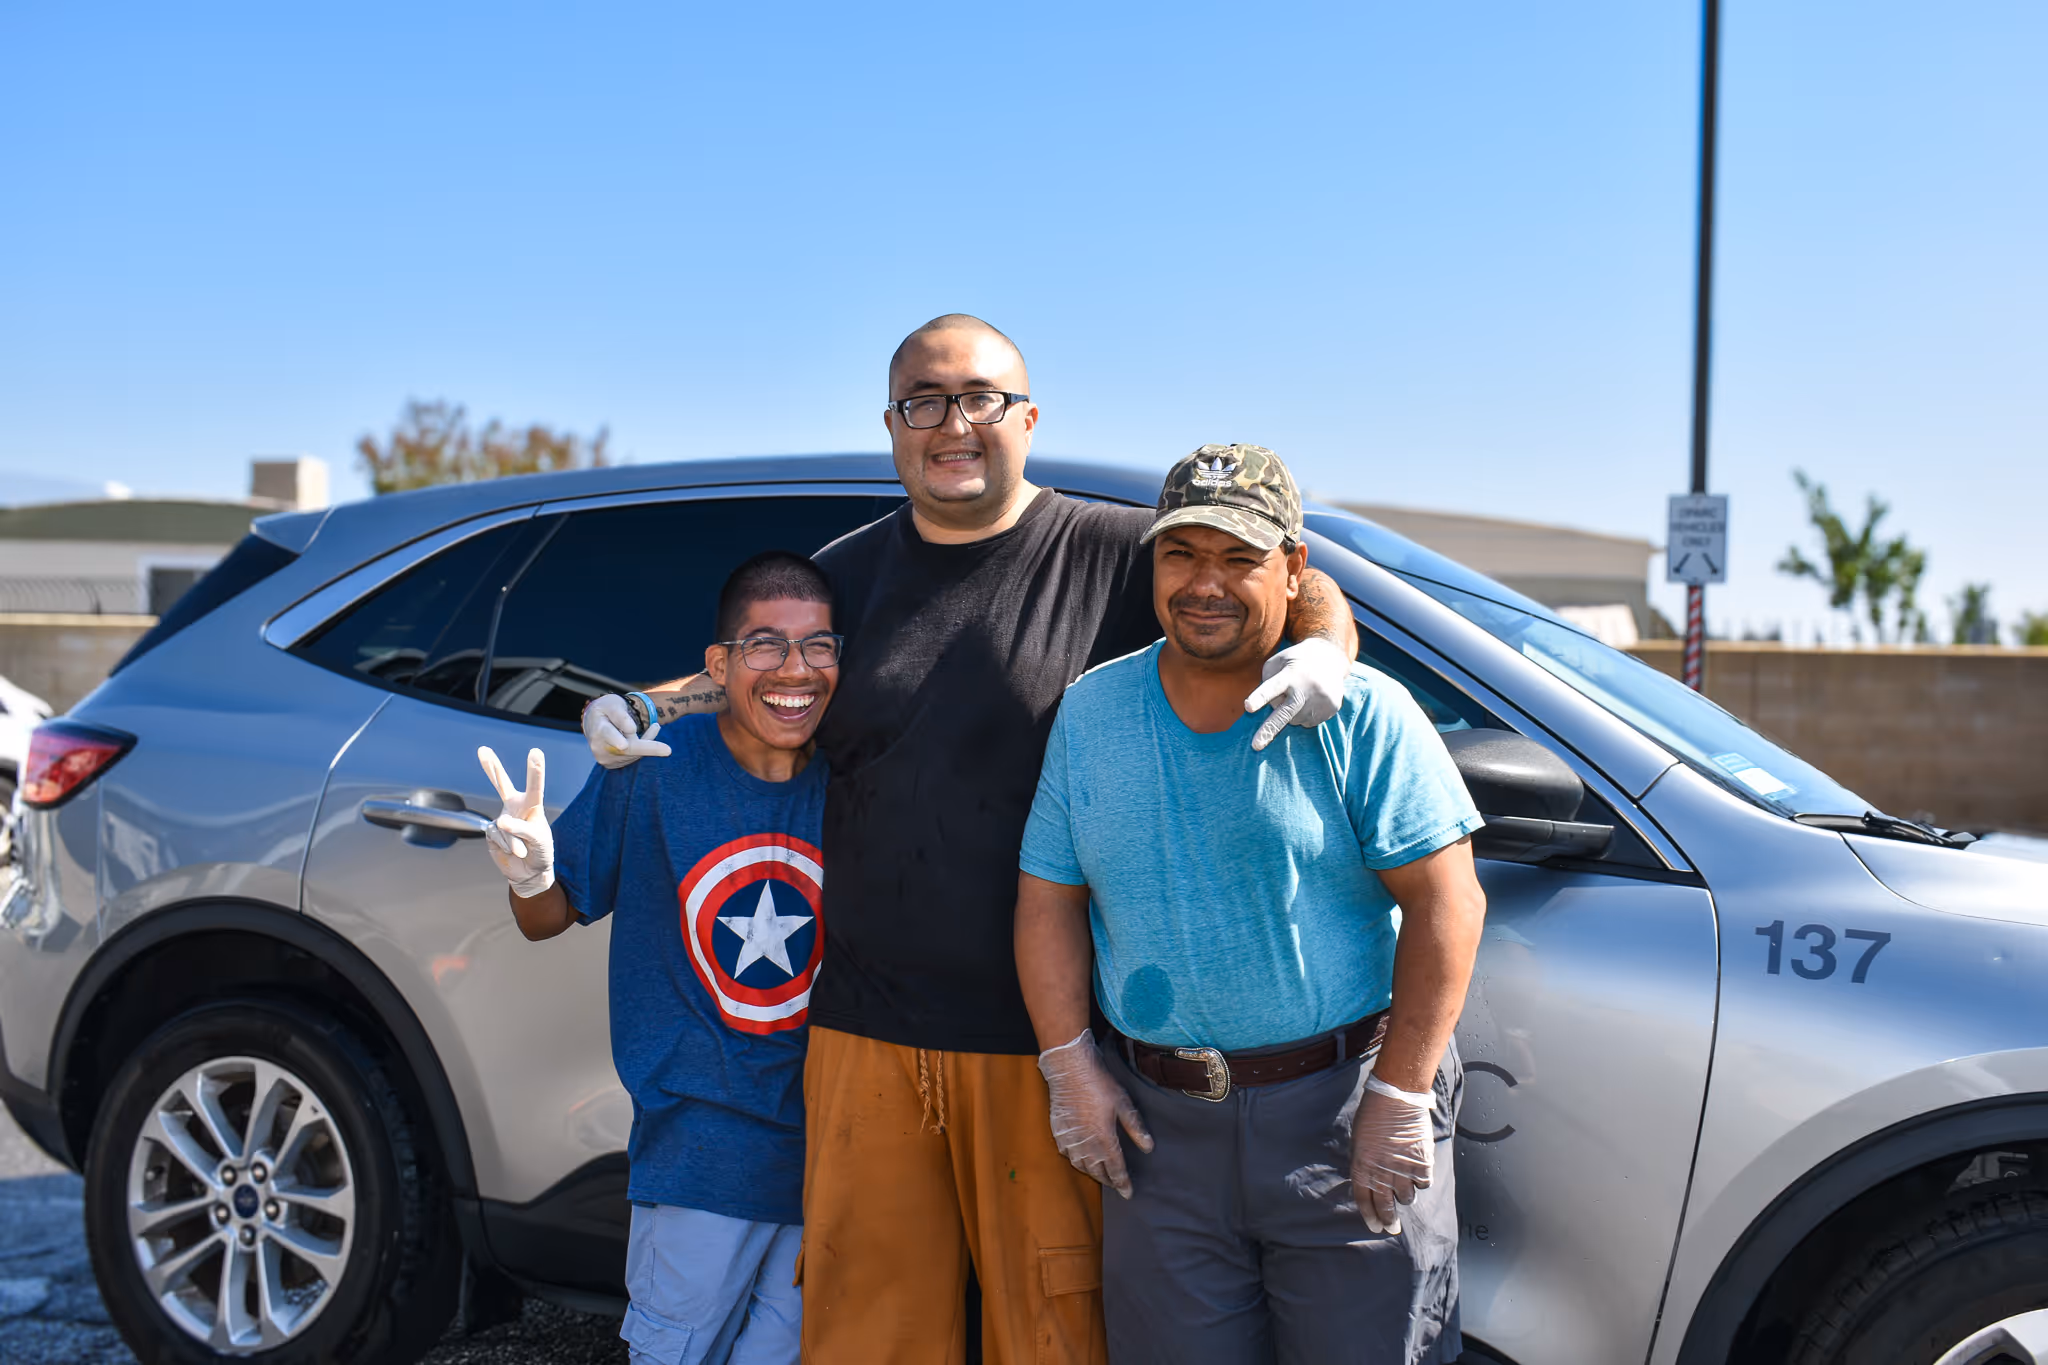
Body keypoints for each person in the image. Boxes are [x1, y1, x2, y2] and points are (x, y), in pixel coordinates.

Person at [579, 316, 1360, 1365]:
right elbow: (761, 673)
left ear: (1025, 418)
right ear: (893, 425)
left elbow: (1290, 580)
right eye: (924, 401)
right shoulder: (844, 576)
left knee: (1054, 1335)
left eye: (980, 398)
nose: (954, 423)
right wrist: (642, 704)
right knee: (868, 1337)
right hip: (858, 1040)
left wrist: (1326, 656)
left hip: (1045, 1046)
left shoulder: (1114, 553)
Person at [1014, 444, 1489, 1365]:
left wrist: (1398, 1094)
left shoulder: (1361, 712)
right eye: (1183, 554)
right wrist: (1069, 1064)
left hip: (1343, 1118)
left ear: (1294, 569)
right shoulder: (1093, 712)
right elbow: (1048, 901)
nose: (1206, 583)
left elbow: (1448, 904)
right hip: (1161, 1135)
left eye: (1239, 558)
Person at [478, 551, 842, 1365]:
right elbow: (551, 912)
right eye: (765, 645)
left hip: (829, 1155)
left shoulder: (855, 777)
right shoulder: (657, 768)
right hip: (699, 1156)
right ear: (716, 666)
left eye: (818, 646)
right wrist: (531, 868)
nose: (795, 669)